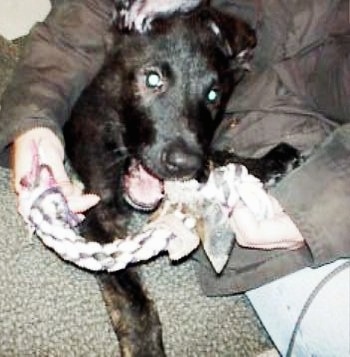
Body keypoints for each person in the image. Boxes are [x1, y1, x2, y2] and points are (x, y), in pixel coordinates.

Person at [0, 0, 349, 354]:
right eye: (153, 80)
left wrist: (322, 211)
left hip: (317, 134)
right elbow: (77, 27)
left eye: (212, 94)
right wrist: (34, 122)